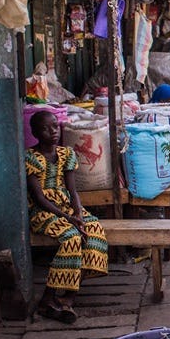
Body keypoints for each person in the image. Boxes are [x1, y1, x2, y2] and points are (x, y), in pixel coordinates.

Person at [25, 110, 109, 323]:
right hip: (43, 211)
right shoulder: (30, 157)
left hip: (66, 207)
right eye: (45, 129)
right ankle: (48, 297)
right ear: (35, 133)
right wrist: (68, 218)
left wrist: (78, 213)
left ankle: (69, 297)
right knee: (71, 238)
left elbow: (73, 191)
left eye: (55, 126)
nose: (53, 131)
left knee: (93, 230)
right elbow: (39, 198)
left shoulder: (66, 154)